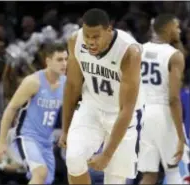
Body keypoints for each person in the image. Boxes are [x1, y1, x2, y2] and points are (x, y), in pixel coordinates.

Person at [59, 8, 145, 184]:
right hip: (92, 107)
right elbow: (73, 86)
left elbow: (126, 109)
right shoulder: (75, 41)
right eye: (87, 36)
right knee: (74, 159)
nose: (90, 42)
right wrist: (66, 129)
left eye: (96, 36)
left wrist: (106, 154)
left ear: (109, 30)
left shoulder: (129, 52)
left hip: (122, 115)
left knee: (115, 180)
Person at [0, 43, 68, 184]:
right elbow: (10, 109)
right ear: (48, 61)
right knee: (40, 173)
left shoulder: (66, 83)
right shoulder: (33, 82)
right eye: (59, 59)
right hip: (27, 136)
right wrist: (1, 142)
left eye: (66, 59)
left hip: (47, 140)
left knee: (46, 179)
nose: (64, 63)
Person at [138, 14, 186, 184]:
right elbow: (173, 99)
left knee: (149, 175)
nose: (179, 30)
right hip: (163, 113)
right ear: (167, 28)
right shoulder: (174, 55)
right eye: (176, 26)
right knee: (175, 172)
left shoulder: (139, 49)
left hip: (142, 113)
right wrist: (181, 137)